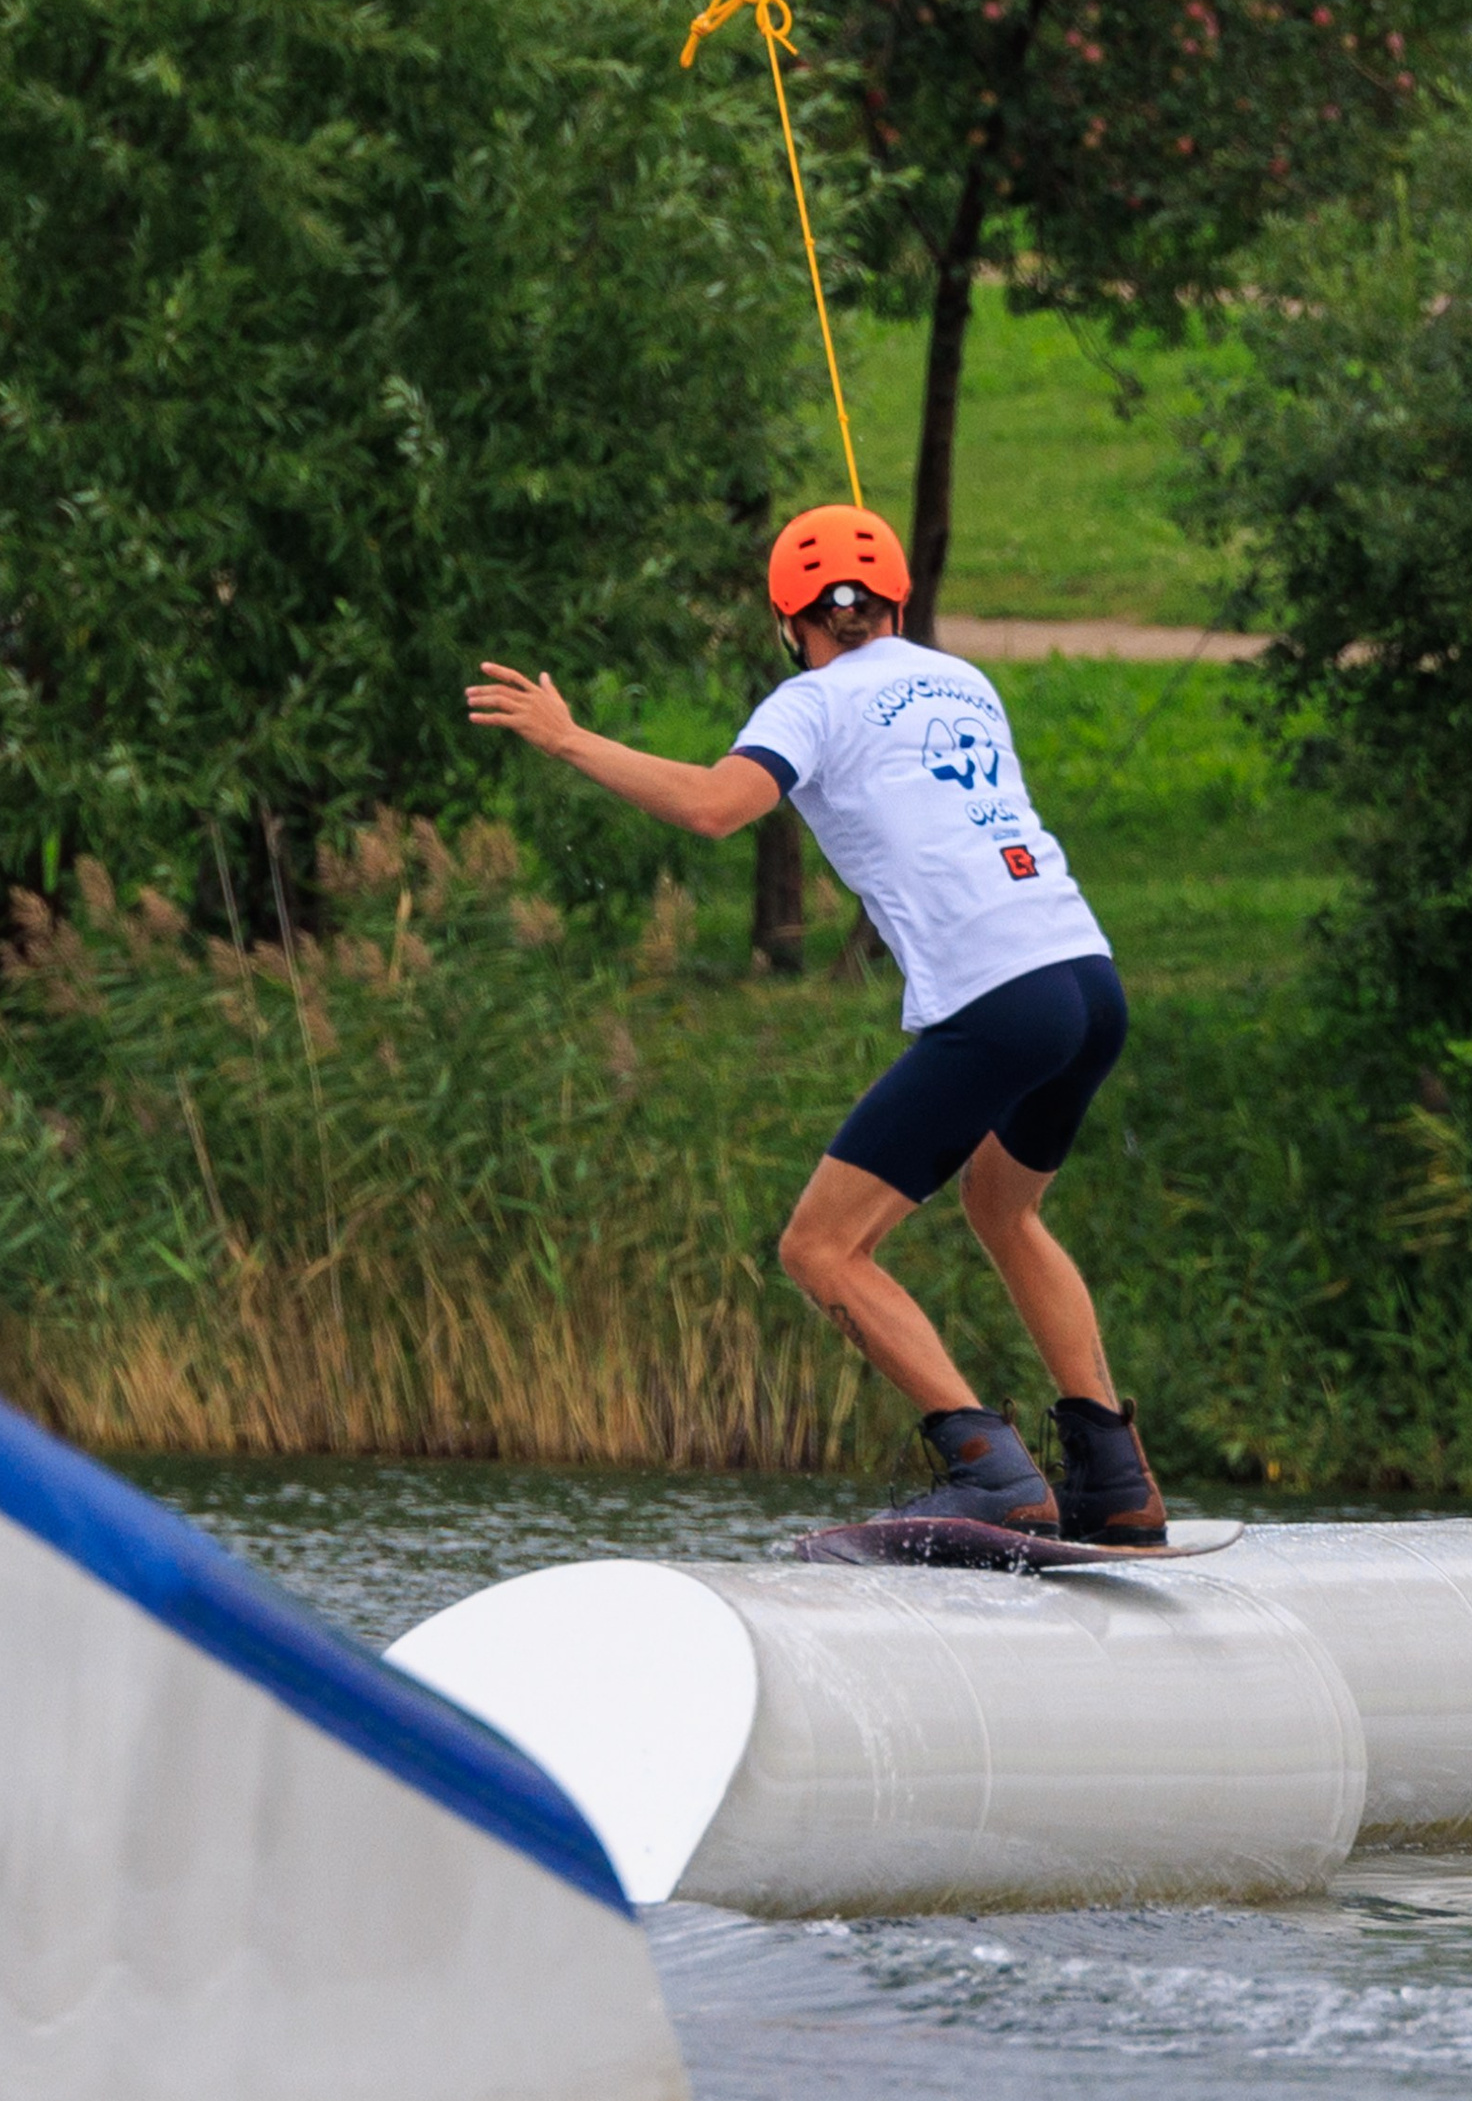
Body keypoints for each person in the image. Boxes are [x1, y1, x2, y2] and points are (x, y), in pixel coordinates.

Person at [465, 502, 1164, 1543]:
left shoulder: (808, 701)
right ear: (892, 602)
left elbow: (714, 805)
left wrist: (569, 741)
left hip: (998, 998)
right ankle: (1114, 1479)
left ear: (787, 620)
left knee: (820, 1248)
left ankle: (990, 1470)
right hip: (1084, 979)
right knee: (1003, 1206)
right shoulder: (965, 681)